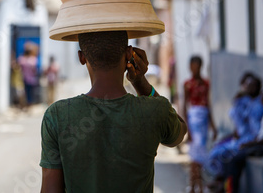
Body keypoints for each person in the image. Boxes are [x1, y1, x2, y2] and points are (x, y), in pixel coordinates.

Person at [39, 31, 187, 192]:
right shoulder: (155, 109)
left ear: (82, 57)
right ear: (129, 54)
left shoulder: (57, 115)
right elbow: (178, 135)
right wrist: (140, 82)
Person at [206, 73, 263, 190]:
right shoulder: (245, 101)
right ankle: (221, 181)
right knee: (217, 151)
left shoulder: (260, 103)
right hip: (244, 137)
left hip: (253, 140)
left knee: (227, 156)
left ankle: (224, 184)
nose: (248, 88)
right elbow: (239, 122)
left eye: (251, 86)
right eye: (247, 85)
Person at [225, 87, 263, 193]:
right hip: (262, 145)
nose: (261, 97)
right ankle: (227, 187)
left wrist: (251, 143)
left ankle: (231, 190)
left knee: (235, 160)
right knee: (232, 156)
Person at [183, 55, 218, 193]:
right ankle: (197, 186)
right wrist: (187, 129)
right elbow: (184, 106)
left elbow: (208, 105)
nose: (195, 69)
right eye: (193, 66)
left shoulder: (206, 84)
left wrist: (213, 126)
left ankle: (195, 186)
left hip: (203, 122)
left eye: (197, 66)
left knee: (200, 155)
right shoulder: (187, 84)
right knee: (194, 155)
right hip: (193, 121)